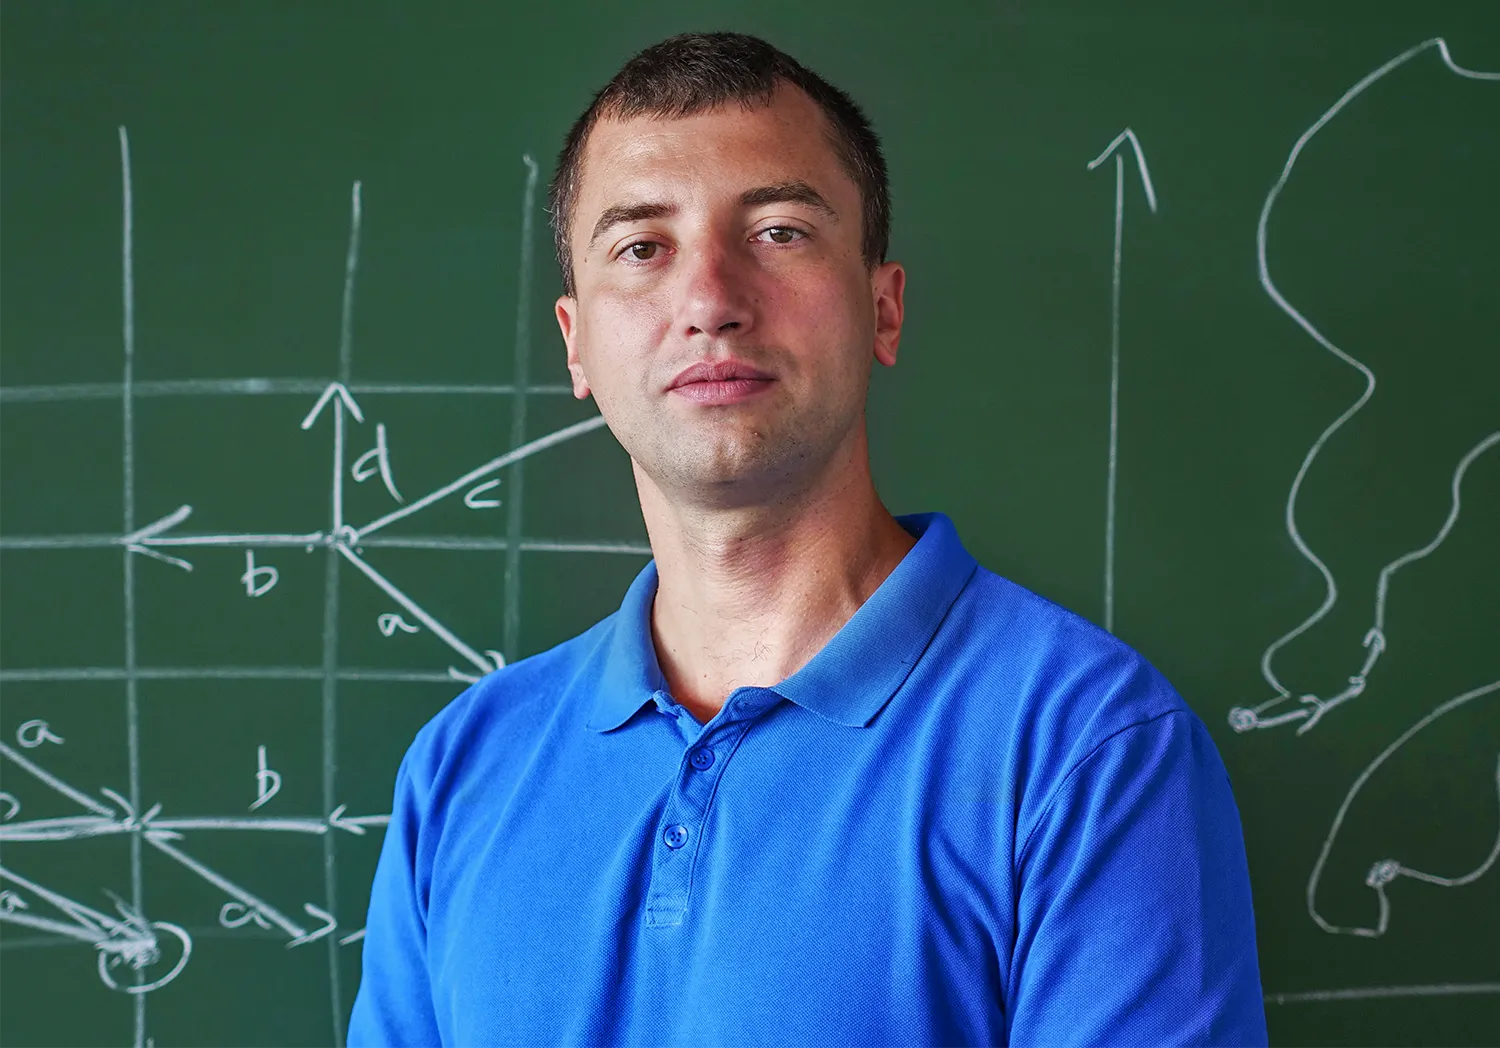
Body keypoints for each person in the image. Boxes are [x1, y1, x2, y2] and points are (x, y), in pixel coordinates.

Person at [348, 31, 1268, 1047]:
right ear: (577, 343)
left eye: (779, 232)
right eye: (642, 248)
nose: (709, 300)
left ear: (883, 307)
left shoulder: (1086, 751)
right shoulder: (462, 771)